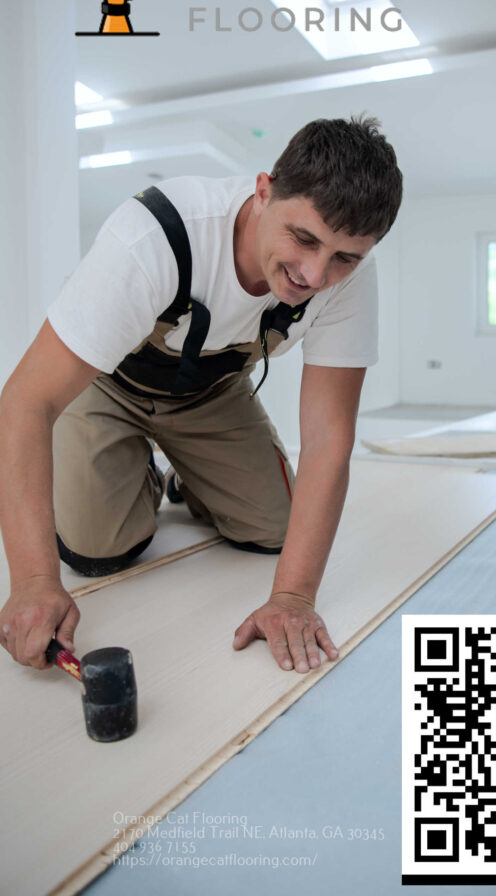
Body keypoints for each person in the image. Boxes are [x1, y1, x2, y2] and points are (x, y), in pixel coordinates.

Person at [0, 115, 402, 676]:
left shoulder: (352, 278)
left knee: (277, 532)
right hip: (108, 385)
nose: (314, 273)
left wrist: (293, 597)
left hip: (213, 394)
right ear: (264, 192)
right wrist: (35, 582)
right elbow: (25, 401)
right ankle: (130, 461)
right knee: (97, 552)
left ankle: (189, 474)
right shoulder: (155, 234)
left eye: (343, 257)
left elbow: (330, 439)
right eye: (304, 239)